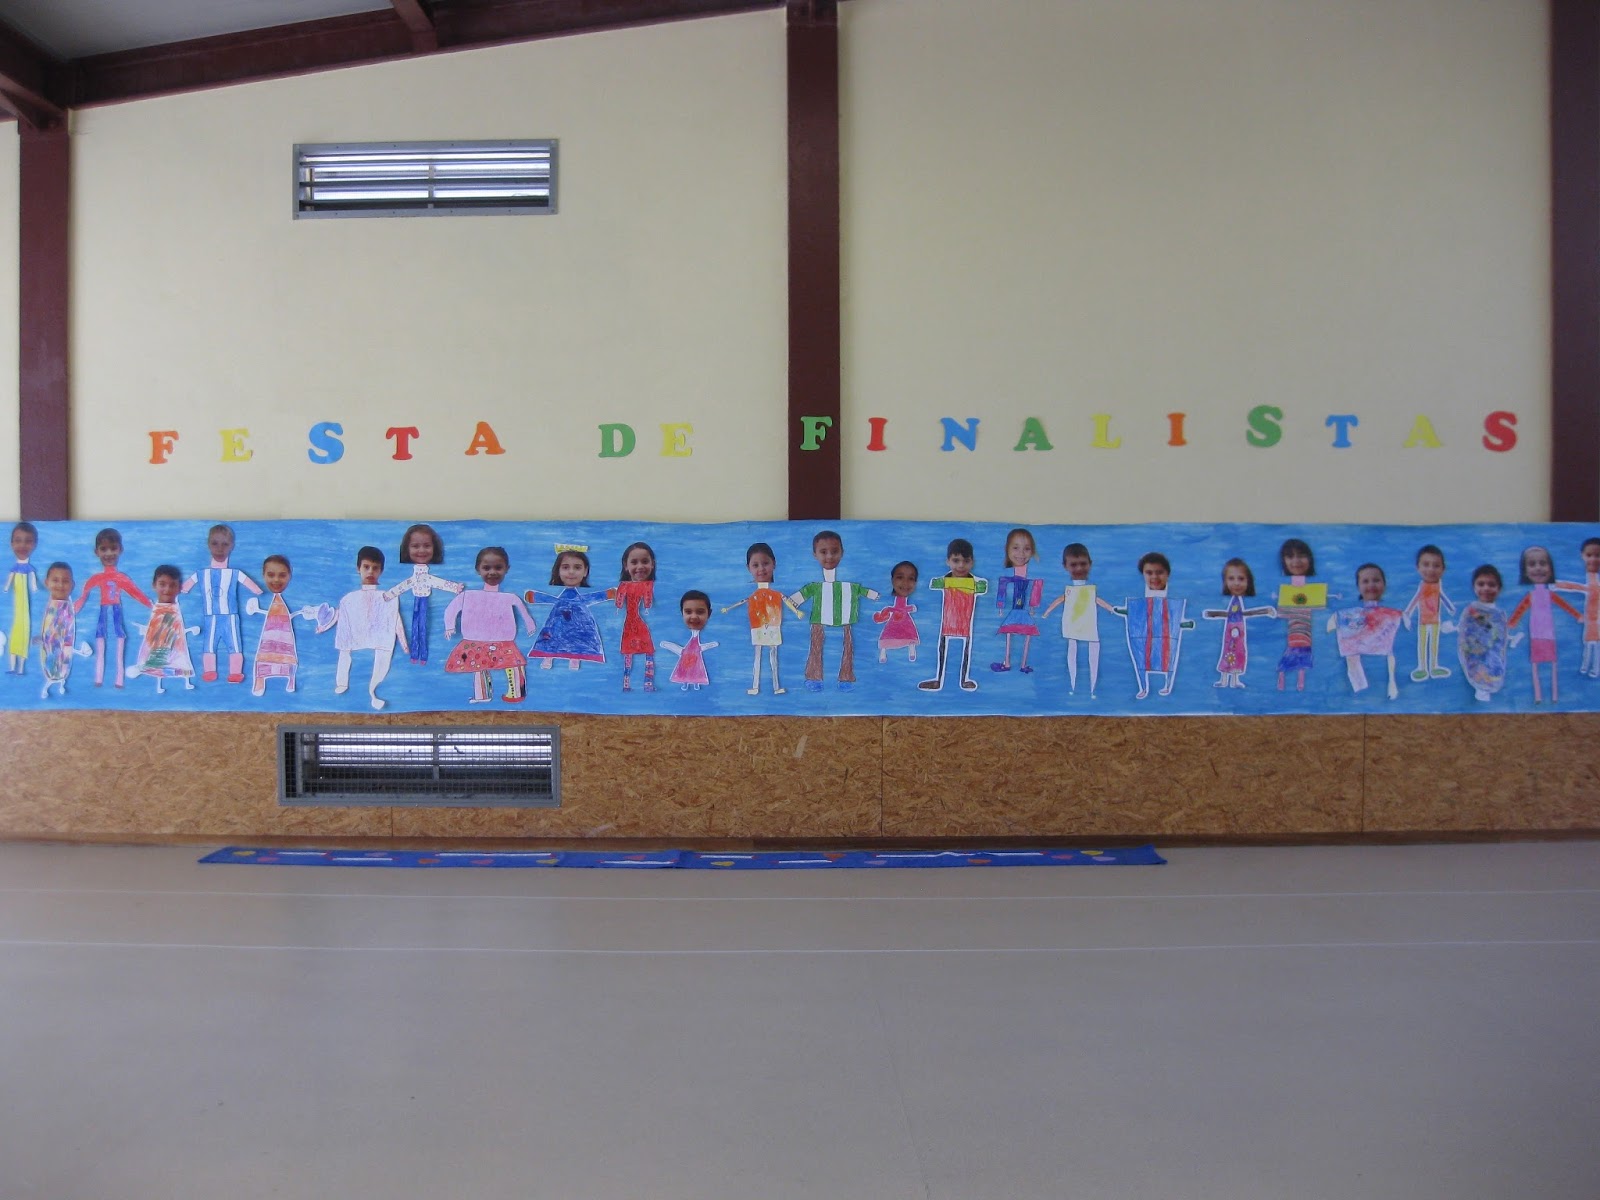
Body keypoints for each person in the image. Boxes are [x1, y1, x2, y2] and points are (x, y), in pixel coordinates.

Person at [444, 546, 538, 703]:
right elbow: (451, 609)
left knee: (514, 664)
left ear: (506, 569)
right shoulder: (468, 595)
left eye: (498, 567)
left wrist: (530, 624)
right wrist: (449, 626)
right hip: (475, 640)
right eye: (486, 568)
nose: (492, 572)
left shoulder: (509, 597)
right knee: (479, 666)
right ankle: (482, 695)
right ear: (478, 569)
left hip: (503, 640)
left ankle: (516, 693)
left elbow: (523, 611)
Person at [788, 530, 878, 692]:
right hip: (819, 621)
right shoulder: (815, 586)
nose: (829, 556)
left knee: (847, 648)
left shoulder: (849, 585)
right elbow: (798, 598)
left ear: (842, 552)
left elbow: (861, 590)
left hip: (845, 620)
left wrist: (871, 594)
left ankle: (846, 678)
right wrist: (790, 602)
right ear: (815, 554)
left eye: (834, 551)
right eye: (823, 552)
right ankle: (814, 677)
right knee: (816, 647)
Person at [319, 546, 408, 710]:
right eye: (366, 567)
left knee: (384, 652)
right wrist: (323, 626)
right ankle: (342, 682)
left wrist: (404, 644)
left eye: (375, 568)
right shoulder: (348, 599)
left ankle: (373, 689)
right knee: (344, 648)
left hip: (379, 638)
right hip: (355, 636)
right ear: (358, 568)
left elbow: (396, 620)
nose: (370, 572)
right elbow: (339, 616)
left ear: (381, 571)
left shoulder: (388, 597)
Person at [181, 523, 263, 683]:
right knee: (209, 644)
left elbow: (254, 588)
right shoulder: (201, 574)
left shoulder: (234, 573)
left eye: (225, 544)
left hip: (230, 616)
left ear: (231, 546)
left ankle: (235, 673)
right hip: (210, 616)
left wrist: (258, 591)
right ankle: (209, 671)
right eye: (215, 543)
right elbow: (184, 588)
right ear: (208, 544)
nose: (219, 549)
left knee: (234, 644)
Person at [1110, 552, 1195, 699]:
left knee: (1169, 656)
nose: (1154, 577)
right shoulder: (1138, 604)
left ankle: (1167, 685)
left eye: (1159, 572)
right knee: (1141, 657)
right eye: (1149, 573)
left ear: (1167, 574)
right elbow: (1134, 614)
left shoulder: (1175, 604)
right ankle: (1143, 687)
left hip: (1166, 638)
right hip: (1145, 636)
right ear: (1143, 574)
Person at [74, 527, 151, 688]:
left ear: (120, 550)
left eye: (113, 548)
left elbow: (135, 593)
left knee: (119, 641)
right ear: (96, 552)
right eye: (104, 549)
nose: (108, 553)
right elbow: (83, 596)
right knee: (100, 641)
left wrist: (153, 606)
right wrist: (70, 612)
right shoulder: (96, 578)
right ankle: (98, 678)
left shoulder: (121, 578)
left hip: (116, 610)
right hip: (103, 611)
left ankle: (119, 679)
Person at [722, 542, 800, 695]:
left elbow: (787, 601)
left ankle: (776, 687)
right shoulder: (754, 595)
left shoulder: (776, 593)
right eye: (755, 565)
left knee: (773, 657)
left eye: (765, 563)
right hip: (757, 626)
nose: (761, 569)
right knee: (757, 656)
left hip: (774, 626)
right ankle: (755, 686)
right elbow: (743, 601)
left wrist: (797, 612)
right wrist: (728, 608)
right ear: (748, 568)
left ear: (774, 564)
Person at [1507, 546, 1581, 704]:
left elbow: (1565, 605)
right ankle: (1538, 696)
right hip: (1535, 634)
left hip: (1549, 634)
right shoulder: (1530, 596)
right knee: (1535, 664)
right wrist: (1511, 623)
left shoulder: (1550, 594)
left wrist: (1578, 615)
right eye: (1532, 564)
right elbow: (1520, 610)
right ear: (1525, 571)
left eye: (1543, 563)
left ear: (1551, 568)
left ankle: (1554, 695)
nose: (1538, 568)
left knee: (1553, 664)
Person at [1040, 542, 1114, 697]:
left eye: (1083, 564)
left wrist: (1112, 609)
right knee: (1072, 650)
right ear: (1065, 566)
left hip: (1088, 623)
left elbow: (1098, 601)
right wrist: (1046, 612)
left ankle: (1092, 686)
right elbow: (1059, 600)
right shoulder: (1069, 591)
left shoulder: (1090, 590)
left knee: (1093, 650)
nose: (1079, 568)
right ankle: (1073, 683)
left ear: (1090, 564)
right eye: (1074, 565)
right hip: (1072, 623)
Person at [385, 523, 463, 666]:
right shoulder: (415, 576)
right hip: (417, 602)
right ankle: (415, 654)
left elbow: (439, 582)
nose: (421, 550)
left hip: (424, 601)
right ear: (407, 548)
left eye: (427, 546)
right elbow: (404, 585)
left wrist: (455, 588)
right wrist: (389, 595)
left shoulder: (427, 576)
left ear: (434, 548)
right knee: (415, 628)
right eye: (415, 546)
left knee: (423, 628)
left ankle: (423, 656)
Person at [918, 538, 988, 692]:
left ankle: (963, 680)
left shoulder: (975, 583)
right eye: (956, 560)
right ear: (948, 561)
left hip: (965, 624)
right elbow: (933, 584)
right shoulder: (945, 580)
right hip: (947, 623)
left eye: (966, 561)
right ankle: (939, 679)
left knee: (965, 651)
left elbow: (983, 587)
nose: (961, 565)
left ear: (972, 562)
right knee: (943, 650)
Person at [244, 555, 320, 696]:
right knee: (265, 653)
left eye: (282, 575)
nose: (276, 580)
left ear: (290, 575)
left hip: (286, 636)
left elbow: (298, 613)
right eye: (271, 575)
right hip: (268, 636)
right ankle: (260, 681)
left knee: (287, 653)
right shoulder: (266, 599)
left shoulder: (292, 600)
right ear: (263, 575)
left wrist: (308, 612)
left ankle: (290, 680)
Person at [525, 547, 609, 670]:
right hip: (558, 623)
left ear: (585, 571)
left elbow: (589, 598)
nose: (571, 572)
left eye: (577, 567)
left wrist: (606, 595)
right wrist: (535, 597)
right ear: (558, 570)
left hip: (578, 624)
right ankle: (548, 657)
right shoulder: (562, 596)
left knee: (577, 640)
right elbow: (552, 599)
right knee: (552, 638)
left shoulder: (578, 597)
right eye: (565, 567)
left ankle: (575, 658)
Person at [1327, 563, 1403, 699]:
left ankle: (1391, 683)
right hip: (1359, 640)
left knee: (1389, 648)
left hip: (1381, 652)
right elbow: (1330, 627)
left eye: (1376, 580)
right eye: (1365, 581)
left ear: (1384, 584)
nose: (1371, 585)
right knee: (1350, 645)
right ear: (1358, 586)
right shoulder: (1350, 614)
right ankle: (1359, 684)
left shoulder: (1391, 615)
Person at [1202, 558, 1275, 689]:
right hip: (1230, 632)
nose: (1236, 583)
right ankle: (1224, 679)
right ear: (1224, 581)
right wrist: (1212, 613)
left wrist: (1265, 611)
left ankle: (1234, 680)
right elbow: (1232, 614)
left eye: (1241, 579)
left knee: (1238, 653)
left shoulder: (1239, 601)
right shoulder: (1233, 601)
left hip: (1238, 632)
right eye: (1231, 578)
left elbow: (1242, 614)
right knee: (1227, 653)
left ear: (1248, 581)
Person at [128, 565, 197, 693]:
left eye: (172, 585)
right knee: (157, 656)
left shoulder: (176, 609)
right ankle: (159, 680)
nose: (167, 589)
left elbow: (177, 630)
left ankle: (185, 680)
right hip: (157, 640)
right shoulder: (156, 609)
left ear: (179, 588)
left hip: (174, 641)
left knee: (177, 657)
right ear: (154, 585)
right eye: (162, 584)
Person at [1457, 564, 1520, 702]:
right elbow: (1465, 633)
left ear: (1499, 588)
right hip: (1475, 654)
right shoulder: (1470, 610)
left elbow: (1499, 637)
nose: (1486, 588)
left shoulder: (1499, 614)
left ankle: (1486, 686)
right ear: (1474, 587)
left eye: (1491, 585)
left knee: (1493, 665)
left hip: (1491, 654)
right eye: (1481, 584)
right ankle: (1480, 687)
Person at [1274, 537, 1327, 692]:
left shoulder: (1314, 589)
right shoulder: (1286, 589)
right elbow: (1281, 613)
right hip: (1294, 635)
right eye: (1290, 556)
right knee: (1291, 655)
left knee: (1303, 657)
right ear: (1283, 561)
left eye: (1301, 556)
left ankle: (1300, 682)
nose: (1296, 561)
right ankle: (1283, 678)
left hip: (1306, 635)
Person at [1400, 544, 1456, 682]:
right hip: (1423, 621)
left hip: (1435, 621)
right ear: (1418, 567)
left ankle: (1434, 666)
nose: (1431, 569)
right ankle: (1422, 668)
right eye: (1426, 565)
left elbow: (1441, 596)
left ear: (1443, 569)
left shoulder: (1437, 585)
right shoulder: (1423, 586)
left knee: (1434, 644)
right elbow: (1416, 599)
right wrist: (1408, 612)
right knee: (1422, 644)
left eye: (1436, 566)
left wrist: (1450, 607)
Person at [35, 562, 90, 700]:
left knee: (61, 662)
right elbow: (49, 629)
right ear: (47, 583)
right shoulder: (48, 606)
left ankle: (58, 683)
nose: (60, 585)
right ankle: (53, 684)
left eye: (65, 581)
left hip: (64, 644)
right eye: (55, 580)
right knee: (50, 662)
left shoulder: (69, 607)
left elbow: (66, 630)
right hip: (51, 647)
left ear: (72, 585)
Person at [992, 527, 1043, 673]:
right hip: (1015, 610)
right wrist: (1000, 606)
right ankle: (1008, 663)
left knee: (1027, 635)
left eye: (1027, 549)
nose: (1021, 553)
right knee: (1010, 635)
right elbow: (1002, 587)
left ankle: (1023, 665)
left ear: (1032, 551)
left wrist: (1032, 606)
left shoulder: (1032, 578)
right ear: (1007, 549)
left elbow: (1036, 587)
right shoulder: (1006, 577)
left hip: (1022, 611)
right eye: (1016, 548)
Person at [609, 542, 658, 692]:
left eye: (645, 561)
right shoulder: (624, 586)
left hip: (639, 621)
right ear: (626, 565)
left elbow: (648, 600)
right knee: (629, 652)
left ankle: (648, 683)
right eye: (634, 562)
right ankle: (626, 684)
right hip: (630, 622)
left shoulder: (650, 585)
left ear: (653, 564)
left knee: (648, 650)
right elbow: (619, 601)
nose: (640, 566)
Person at [1554, 536, 1600, 679]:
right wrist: (1558, 585)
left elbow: (1582, 588)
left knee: (1595, 645)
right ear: (1582, 555)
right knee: (1588, 643)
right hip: (1589, 619)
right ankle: (1586, 666)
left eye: (1597, 556)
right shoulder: (1589, 579)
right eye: (1589, 555)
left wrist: (1559, 585)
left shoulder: (1593, 582)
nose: (1593, 559)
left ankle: (1594, 668)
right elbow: (1580, 588)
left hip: (1596, 620)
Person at [660, 590, 718, 690]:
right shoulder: (676, 632)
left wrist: (712, 644)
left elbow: (699, 648)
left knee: (696, 670)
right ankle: (686, 683)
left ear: (709, 613)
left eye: (700, 612)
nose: (694, 616)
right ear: (682, 613)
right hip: (686, 660)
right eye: (688, 612)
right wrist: (667, 645)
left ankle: (695, 683)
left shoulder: (703, 636)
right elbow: (681, 650)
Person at [5, 521, 38, 674]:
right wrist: (6, 586)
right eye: (18, 540)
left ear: (34, 544)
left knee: (24, 629)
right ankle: (13, 667)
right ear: (11, 543)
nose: (22, 545)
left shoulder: (28, 568)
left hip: (24, 605)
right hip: (18, 602)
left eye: (28, 541)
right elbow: (10, 578)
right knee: (16, 632)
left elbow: (32, 579)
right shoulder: (16, 567)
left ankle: (20, 668)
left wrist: (34, 586)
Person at [872, 560, 921, 664]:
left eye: (911, 578)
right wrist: (909, 608)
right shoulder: (893, 600)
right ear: (892, 580)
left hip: (904, 618)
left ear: (916, 582)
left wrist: (909, 609)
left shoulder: (905, 598)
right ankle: (883, 652)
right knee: (888, 634)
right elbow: (898, 608)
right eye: (900, 577)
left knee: (910, 634)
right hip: (896, 618)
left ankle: (912, 650)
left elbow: (901, 608)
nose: (905, 583)